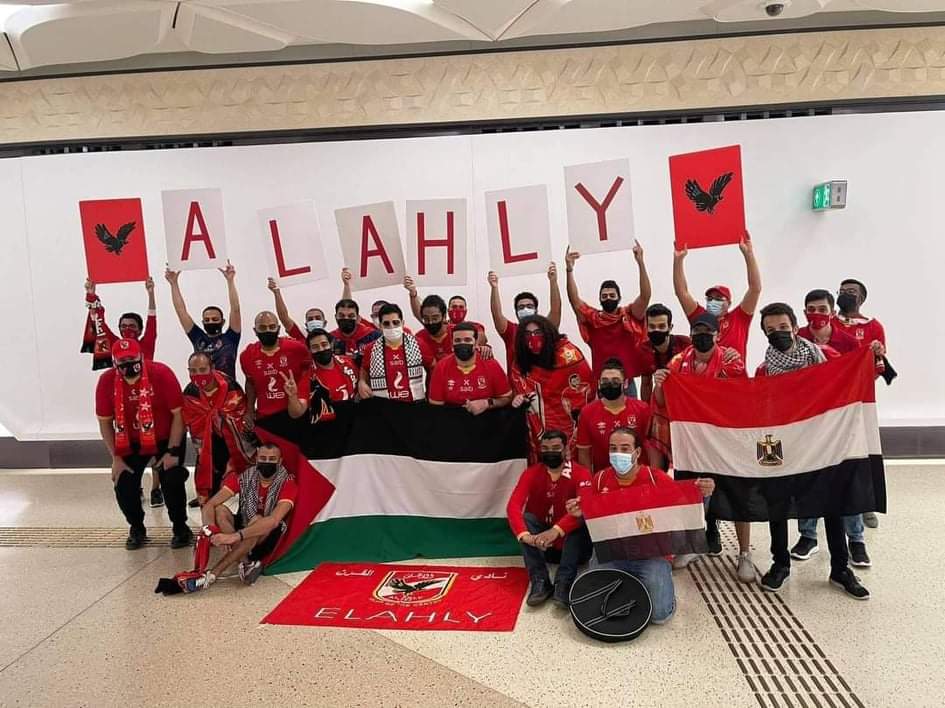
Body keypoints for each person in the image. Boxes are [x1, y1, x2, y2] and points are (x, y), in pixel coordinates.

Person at [755, 302, 869, 600]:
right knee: (777, 507)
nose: (778, 333)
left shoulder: (824, 358)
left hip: (821, 445)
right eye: (771, 329)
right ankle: (780, 564)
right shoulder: (764, 370)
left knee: (832, 506)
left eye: (783, 327)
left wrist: (871, 354)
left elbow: (851, 378)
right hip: (784, 447)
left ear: (795, 327)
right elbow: (758, 411)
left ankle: (840, 569)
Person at [566, 427, 715, 625]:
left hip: (651, 555)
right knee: (597, 604)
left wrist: (704, 494)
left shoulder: (656, 478)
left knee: (659, 616)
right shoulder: (600, 479)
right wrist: (579, 511)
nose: (618, 453)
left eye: (625, 448)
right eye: (613, 448)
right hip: (612, 553)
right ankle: (632, 587)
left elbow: (685, 507)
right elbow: (591, 516)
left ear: (637, 452)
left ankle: (659, 584)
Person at [651, 312, 753, 582]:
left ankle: (745, 554)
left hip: (724, 440)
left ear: (717, 335)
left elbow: (740, 395)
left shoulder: (731, 360)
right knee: (690, 494)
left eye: (707, 332)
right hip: (692, 442)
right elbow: (661, 401)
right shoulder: (678, 361)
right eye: (697, 332)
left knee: (737, 495)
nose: (702, 336)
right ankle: (692, 546)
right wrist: (659, 384)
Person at [95, 339, 192, 550]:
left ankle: (180, 527)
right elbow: (105, 422)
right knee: (123, 483)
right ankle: (137, 527)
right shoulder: (107, 381)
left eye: (132, 359)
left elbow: (178, 415)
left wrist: (173, 451)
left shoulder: (161, 373)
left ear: (141, 357)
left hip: (166, 437)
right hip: (130, 441)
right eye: (122, 362)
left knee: (171, 479)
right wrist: (116, 458)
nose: (128, 365)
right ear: (115, 363)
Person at [506, 430, 593, 608]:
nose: (550, 452)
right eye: (545, 448)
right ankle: (540, 581)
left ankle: (564, 583)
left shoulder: (581, 473)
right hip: (543, 546)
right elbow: (513, 506)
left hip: (575, 549)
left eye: (555, 448)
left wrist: (556, 530)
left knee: (581, 518)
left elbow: (585, 506)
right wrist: (525, 535)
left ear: (566, 449)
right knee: (527, 519)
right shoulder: (531, 473)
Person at [197, 443, 298, 588]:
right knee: (219, 509)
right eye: (263, 458)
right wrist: (211, 532)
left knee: (258, 520)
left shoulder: (288, 482)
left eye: (272, 459)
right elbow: (210, 505)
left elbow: (274, 521)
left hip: (267, 535)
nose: (267, 462)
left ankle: (214, 573)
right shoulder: (245, 476)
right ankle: (246, 563)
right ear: (256, 459)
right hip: (244, 523)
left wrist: (234, 537)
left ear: (280, 461)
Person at [832, 278, 888, 530]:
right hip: (830, 399)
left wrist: (874, 355)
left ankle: (865, 504)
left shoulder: (873, 327)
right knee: (831, 449)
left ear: (861, 298)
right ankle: (827, 502)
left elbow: (878, 365)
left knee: (862, 451)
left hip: (860, 398)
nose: (845, 294)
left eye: (851, 292)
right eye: (842, 291)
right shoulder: (829, 323)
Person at [565, 241, 651, 391]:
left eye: (612, 295)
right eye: (604, 296)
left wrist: (641, 263)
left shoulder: (630, 315)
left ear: (619, 298)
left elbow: (645, 296)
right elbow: (575, 301)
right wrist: (569, 269)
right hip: (603, 385)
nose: (608, 298)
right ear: (599, 299)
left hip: (627, 385)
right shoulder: (593, 319)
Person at [509, 315, 592, 463]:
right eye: (527, 334)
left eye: (538, 332)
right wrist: (518, 399)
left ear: (548, 332)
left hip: (567, 421)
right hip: (540, 427)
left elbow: (587, 388)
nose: (533, 337)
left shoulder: (569, 356)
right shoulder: (520, 363)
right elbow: (518, 391)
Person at [182, 352, 254, 506]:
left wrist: (219, 416)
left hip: (233, 438)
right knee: (207, 467)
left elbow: (239, 412)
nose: (198, 375)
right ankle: (208, 502)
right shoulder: (190, 392)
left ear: (212, 367)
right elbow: (190, 419)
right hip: (207, 441)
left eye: (202, 370)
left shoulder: (230, 387)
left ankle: (245, 506)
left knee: (244, 468)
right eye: (193, 371)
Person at [673, 234, 761, 360]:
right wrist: (678, 260)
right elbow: (682, 292)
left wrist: (749, 254)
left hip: (734, 372)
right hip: (705, 372)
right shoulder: (699, 317)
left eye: (719, 299)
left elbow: (755, 289)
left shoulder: (739, 318)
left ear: (729, 303)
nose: (713, 302)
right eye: (710, 299)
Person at [166, 264, 242, 379]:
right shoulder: (198, 337)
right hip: (202, 388)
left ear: (223, 322)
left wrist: (230, 281)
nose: (210, 322)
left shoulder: (231, 337)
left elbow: (235, 309)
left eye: (215, 319)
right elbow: (181, 311)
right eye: (207, 320)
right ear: (203, 322)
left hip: (228, 388)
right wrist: (173, 284)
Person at [576, 358, 652, 473]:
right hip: (604, 478)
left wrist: (654, 476)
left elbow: (652, 449)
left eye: (615, 381)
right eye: (605, 381)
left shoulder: (642, 409)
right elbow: (584, 453)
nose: (610, 384)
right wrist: (589, 481)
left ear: (625, 383)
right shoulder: (587, 412)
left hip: (639, 476)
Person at [239, 311, 311, 428]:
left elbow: (312, 371)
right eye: (262, 328)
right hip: (265, 417)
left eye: (272, 327)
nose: (268, 330)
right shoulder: (247, 355)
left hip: (295, 414)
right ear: (255, 330)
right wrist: (250, 410)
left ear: (278, 328)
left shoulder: (297, 349)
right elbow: (250, 383)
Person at [487, 263, 561, 376]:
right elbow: (496, 313)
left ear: (536, 310)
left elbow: (556, 309)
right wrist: (494, 288)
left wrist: (553, 281)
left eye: (529, 306)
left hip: (546, 385)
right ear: (516, 312)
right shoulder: (511, 331)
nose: (525, 309)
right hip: (519, 386)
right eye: (521, 307)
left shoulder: (546, 328)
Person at [429, 323, 512, 412]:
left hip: (486, 416)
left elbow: (507, 398)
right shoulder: (441, 367)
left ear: (476, 344)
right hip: (451, 416)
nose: (462, 343)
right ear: (452, 345)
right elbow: (436, 407)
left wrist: (487, 403)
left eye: (467, 340)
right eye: (457, 340)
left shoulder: (491, 365)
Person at [358, 303, 429, 402]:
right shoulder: (371, 349)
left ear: (402, 323)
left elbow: (432, 368)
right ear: (380, 326)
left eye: (396, 322)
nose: (392, 327)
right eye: (386, 324)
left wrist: (430, 392)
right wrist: (361, 382)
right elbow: (364, 369)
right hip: (384, 405)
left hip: (415, 403)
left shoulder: (418, 344)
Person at [82, 277, 157, 369]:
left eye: (132, 326)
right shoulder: (115, 344)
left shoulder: (147, 344)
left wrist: (151, 293)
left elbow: (152, 318)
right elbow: (99, 323)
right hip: (119, 378)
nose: (127, 329)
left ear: (140, 330)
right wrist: (91, 295)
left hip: (146, 378)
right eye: (123, 326)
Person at [286, 329, 359, 424]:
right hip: (331, 425)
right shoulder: (309, 379)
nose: (321, 349)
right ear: (310, 350)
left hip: (356, 418)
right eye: (315, 347)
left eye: (324, 344)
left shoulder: (348, 362)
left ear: (331, 345)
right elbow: (296, 413)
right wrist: (292, 397)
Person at [636, 304, 691, 401]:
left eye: (661, 326)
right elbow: (646, 384)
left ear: (670, 327)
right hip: (661, 395)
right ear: (646, 327)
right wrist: (646, 408)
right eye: (652, 326)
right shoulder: (644, 350)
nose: (656, 330)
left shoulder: (685, 344)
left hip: (685, 395)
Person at [267, 277, 325, 342]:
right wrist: (276, 292)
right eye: (310, 319)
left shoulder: (333, 339)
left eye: (318, 318)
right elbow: (284, 318)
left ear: (325, 323)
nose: (314, 321)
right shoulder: (301, 335)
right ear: (306, 324)